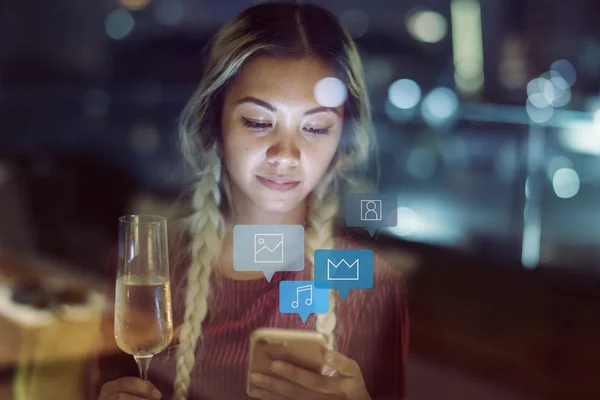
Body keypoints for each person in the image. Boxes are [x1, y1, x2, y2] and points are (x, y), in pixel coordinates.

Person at [91, 2, 409, 399]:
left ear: (341, 138)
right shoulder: (147, 271)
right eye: (258, 122)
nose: (285, 154)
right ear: (215, 121)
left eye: (315, 127)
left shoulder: (372, 288)